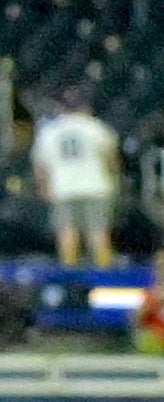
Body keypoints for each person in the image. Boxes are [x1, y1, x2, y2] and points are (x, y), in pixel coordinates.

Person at [28, 83, 117, 268]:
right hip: (96, 186)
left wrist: (44, 188)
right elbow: (110, 158)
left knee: (67, 231)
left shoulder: (50, 131)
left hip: (64, 188)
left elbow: (39, 165)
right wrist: (113, 180)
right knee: (98, 232)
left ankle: (70, 275)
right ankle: (105, 275)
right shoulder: (95, 127)